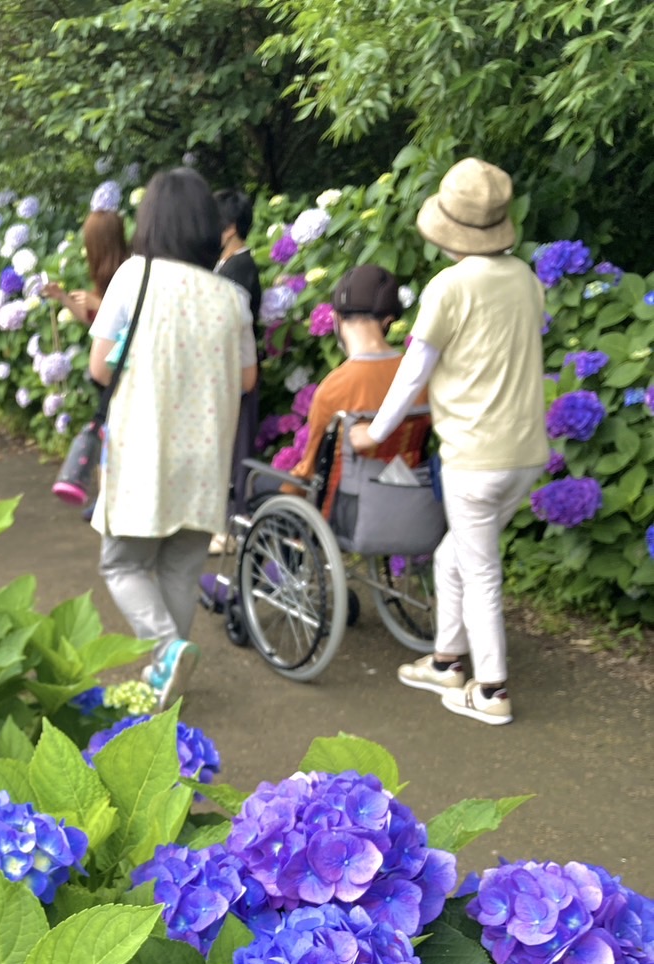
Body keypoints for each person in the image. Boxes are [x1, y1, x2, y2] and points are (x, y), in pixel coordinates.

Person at [350, 158, 548, 727]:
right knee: (452, 555)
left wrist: (374, 433)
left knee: (480, 570)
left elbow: (413, 372)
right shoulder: (526, 278)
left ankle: (491, 690)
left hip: (473, 457)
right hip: (525, 453)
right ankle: (445, 660)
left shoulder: (449, 288)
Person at [89, 167, 258, 709]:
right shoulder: (232, 296)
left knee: (122, 564)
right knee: (181, 572)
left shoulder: (133, 277)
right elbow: (248, 378)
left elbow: (99, 367)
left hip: (144, 451)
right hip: (205, 458)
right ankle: (167, 679)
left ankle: (167, 651)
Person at [294, 263, 421, 492]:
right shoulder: (418, 375)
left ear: (337, 318)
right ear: (388, 321)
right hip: (410, 494)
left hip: (346, 502)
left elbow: (309, 469)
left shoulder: (334, 387)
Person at [214, 188, 263, 547]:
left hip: (236, 372)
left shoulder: (238, 268)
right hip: (230, 372)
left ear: (229, 227)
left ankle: (231, 529)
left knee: (235, 452)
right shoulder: (230, 265)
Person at [42, 210, 129, 326]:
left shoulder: (129, 272)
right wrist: (62, 297)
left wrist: (98, 305)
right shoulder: (105, 274)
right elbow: (92, 318)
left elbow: (132, 319)